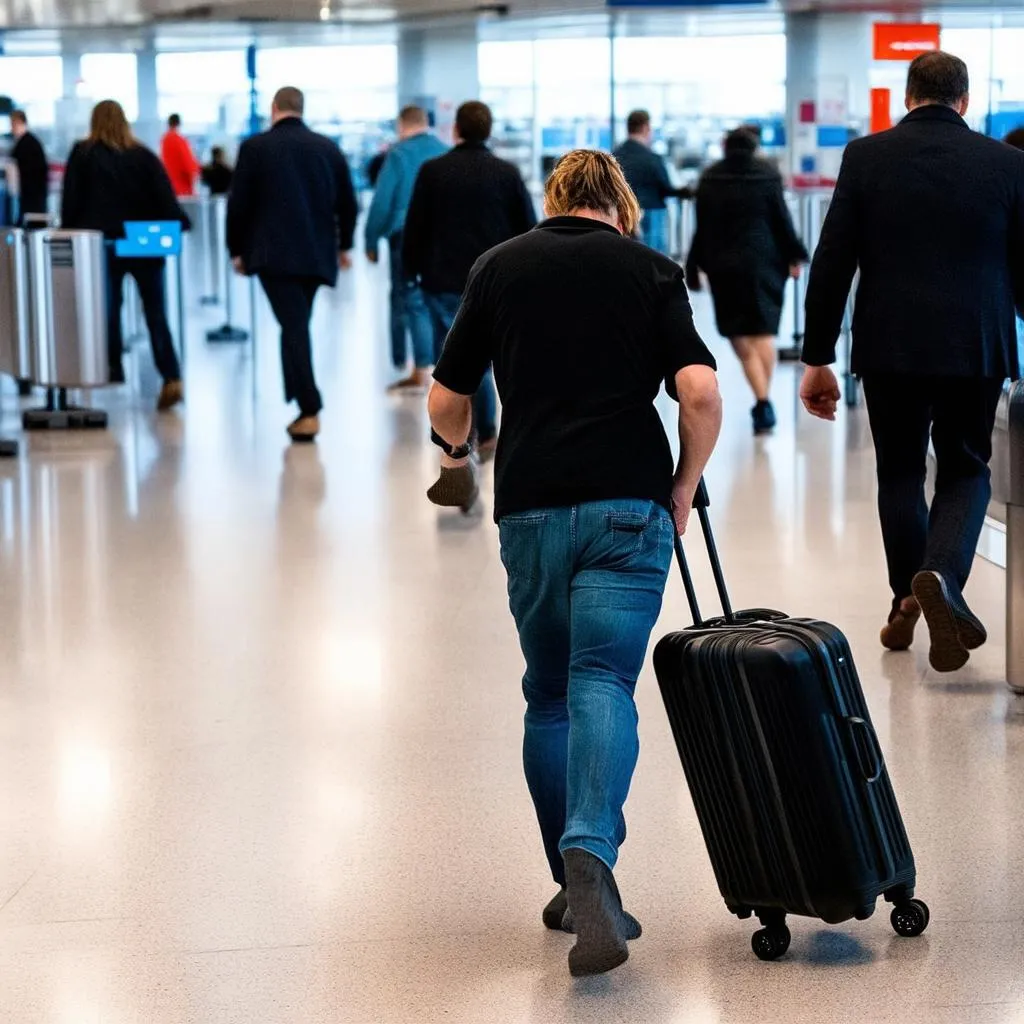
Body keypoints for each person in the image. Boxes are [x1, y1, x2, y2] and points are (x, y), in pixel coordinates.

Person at [426, 149, 722, 976]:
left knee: (549, 694)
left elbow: (449, 398)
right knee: (603, 684)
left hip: (530, 506)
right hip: (629, 504)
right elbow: (698, 392)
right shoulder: (651, 270)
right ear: (620, 208)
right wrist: (683, 486)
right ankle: (593, 853)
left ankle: (567, 877)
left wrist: (454, 455)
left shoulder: (499, 267)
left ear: (554, 200)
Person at [800, 52, 1024, 673]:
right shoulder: (1008, 165)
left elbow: (833, 260)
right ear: (965, 101)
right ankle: (942, 581)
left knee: (899, 472)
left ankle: (907, 597)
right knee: (964, 468)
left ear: (907, 97)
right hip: (976, 346)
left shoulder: (866, 157)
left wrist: (817, 357)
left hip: (889, 344)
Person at [403, 100, 536, 458]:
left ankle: (460, 433)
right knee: (487, 358)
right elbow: (528, 228)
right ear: (488, 131)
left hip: (441, 279)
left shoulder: (432, 171)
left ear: (456, 130)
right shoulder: (506, 173)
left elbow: (415, 228)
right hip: (495, 283)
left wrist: (409, 271)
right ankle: (486, 431)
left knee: (455, 357)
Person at [226, 86, 357, 442]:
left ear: (274, 108)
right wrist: (344, 244)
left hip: (272, 255)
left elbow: (239, 204)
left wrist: (236, 249)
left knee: (294, 324)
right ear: (301, 108)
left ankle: (309, 407)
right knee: (295, 322)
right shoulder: (327, 148)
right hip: (317, 253)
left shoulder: (255, 148)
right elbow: (348, 202)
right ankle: (299, 401)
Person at [61, 100, 188, 412]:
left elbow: (71, 201)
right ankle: (171, 375)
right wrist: (182, 221)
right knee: (156, 312)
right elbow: (165, 198)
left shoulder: (83, 154)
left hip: (102, 245)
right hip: (143, 245)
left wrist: (68, 230)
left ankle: (112, 366)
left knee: (108, 307)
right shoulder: (143, 155)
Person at [686, 126, 807, 434]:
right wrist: (795, 254)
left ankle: (763, 400)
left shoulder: (711, 177)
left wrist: (692, 265)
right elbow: (781, 219)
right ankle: (763, 399)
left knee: (739, 333)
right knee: (763, 331)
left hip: (724, 264)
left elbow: (701, 226)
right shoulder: (766, 174)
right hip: (765, 260)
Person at [364, 105, 447, 392]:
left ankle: (414, 366)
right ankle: (437, 366)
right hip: (441, 237)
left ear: (402, 125)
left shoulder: (398, 155)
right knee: (435, 298)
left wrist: (370, 239)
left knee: (407, 297)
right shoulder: (444, 150)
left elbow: (382, 202)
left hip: (405, 235)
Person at [613, 110, 689, 254]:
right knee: (654, 260)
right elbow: (666, 187)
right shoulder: (653, 158)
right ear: (645, 128)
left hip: (623, 214)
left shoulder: (614, 157)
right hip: (652, 214)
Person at [10, 110, 49, 222]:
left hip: (32, 198)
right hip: (30, 196)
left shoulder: (28, 143)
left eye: (13, 123)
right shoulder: (27, 141)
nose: (11, 128)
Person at [161, 114, 200, 198]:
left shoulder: (164, 140)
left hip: (169, 185)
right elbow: (188, 164)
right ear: (179, 123)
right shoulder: (179, 140)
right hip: (182, 187)